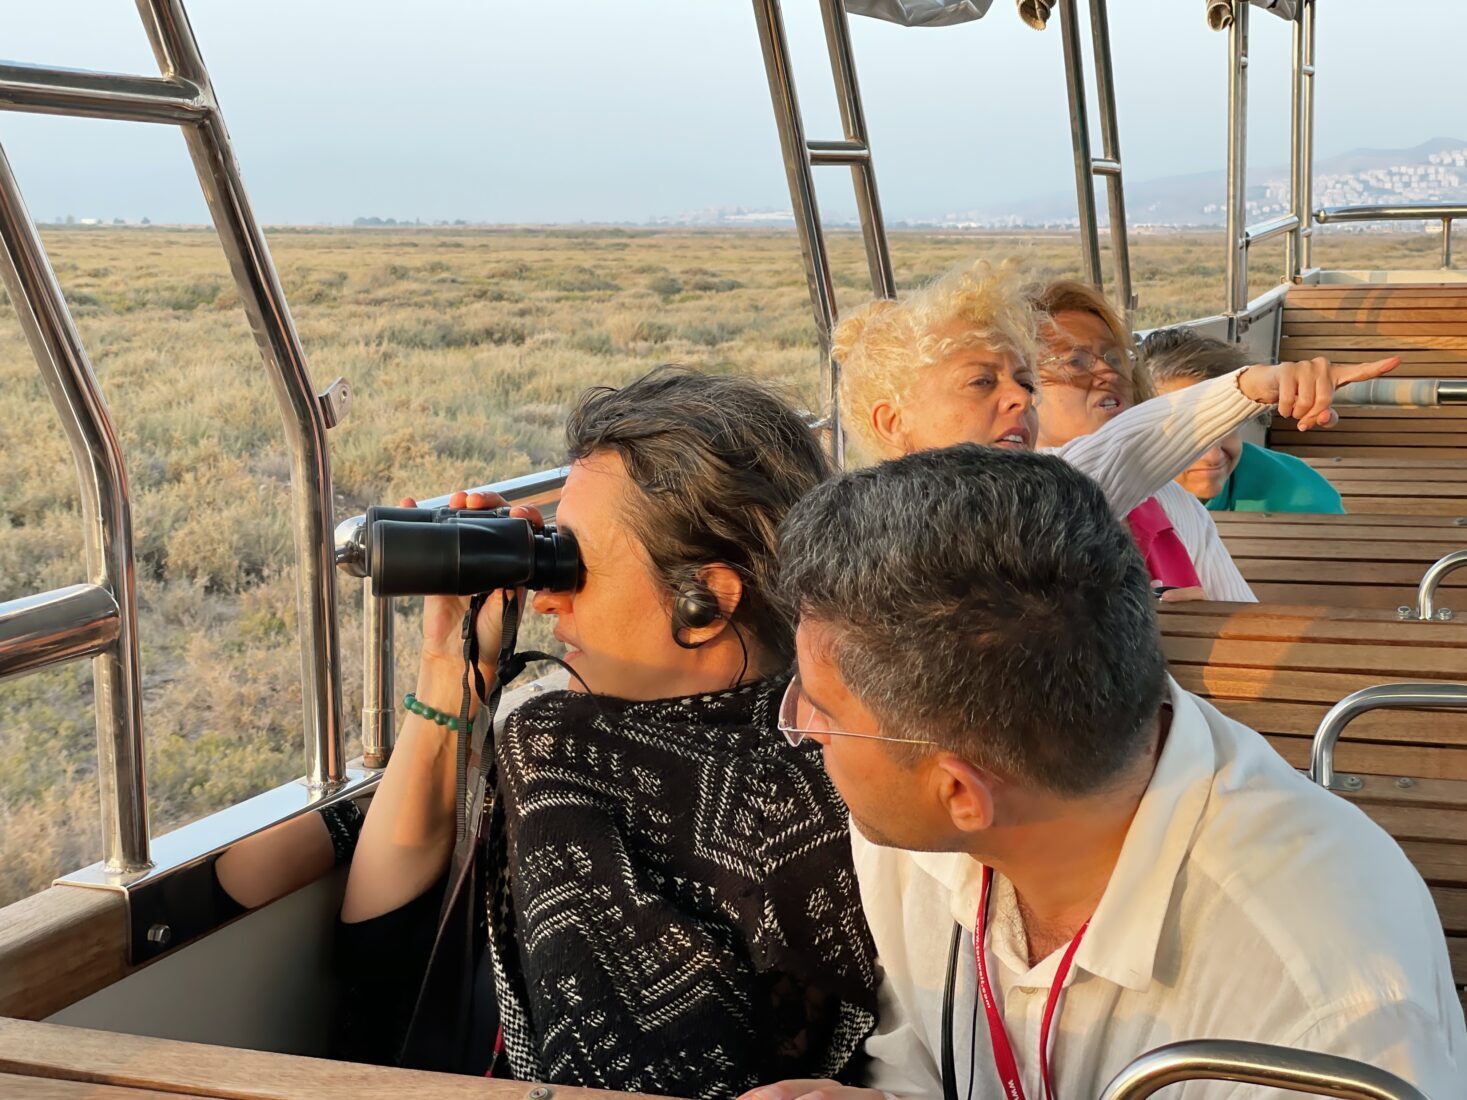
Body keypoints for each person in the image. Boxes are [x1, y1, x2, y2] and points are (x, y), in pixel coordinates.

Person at [220, 367, 879, 1098]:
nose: (547, 600)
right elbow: (381, 947)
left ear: (705, 600)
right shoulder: (847, 752)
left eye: (572, 564)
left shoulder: (559, 747)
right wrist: (450, 671)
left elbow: (372, 977)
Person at [745, 444, 1465, 1100]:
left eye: (822, 708)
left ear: (961, 791)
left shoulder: (1320, 1012)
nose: (802, 728)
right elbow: (927, 1062)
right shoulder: (919, 841)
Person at [833, 260, 1395, 601]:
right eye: (982, 382)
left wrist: (1248, 387)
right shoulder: (863, 534)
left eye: (1025, 380)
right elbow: (1115, 457)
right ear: (892, 421)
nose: (1017, 397)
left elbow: (1124, 452)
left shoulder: (1147, 501)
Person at [1031, 279, 1254, 602]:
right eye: (1076, 362)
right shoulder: (1020, 509)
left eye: (1115, 357)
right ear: (1024, 389)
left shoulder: (1171, 501)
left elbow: (1244, 619)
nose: (1108, 372)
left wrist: (1211, 624)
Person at [1142, 326, 1347, 514]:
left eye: (1226, 425)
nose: (1213, 456)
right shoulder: (1115, 503)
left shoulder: (1300, 494)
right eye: (1182, 431)